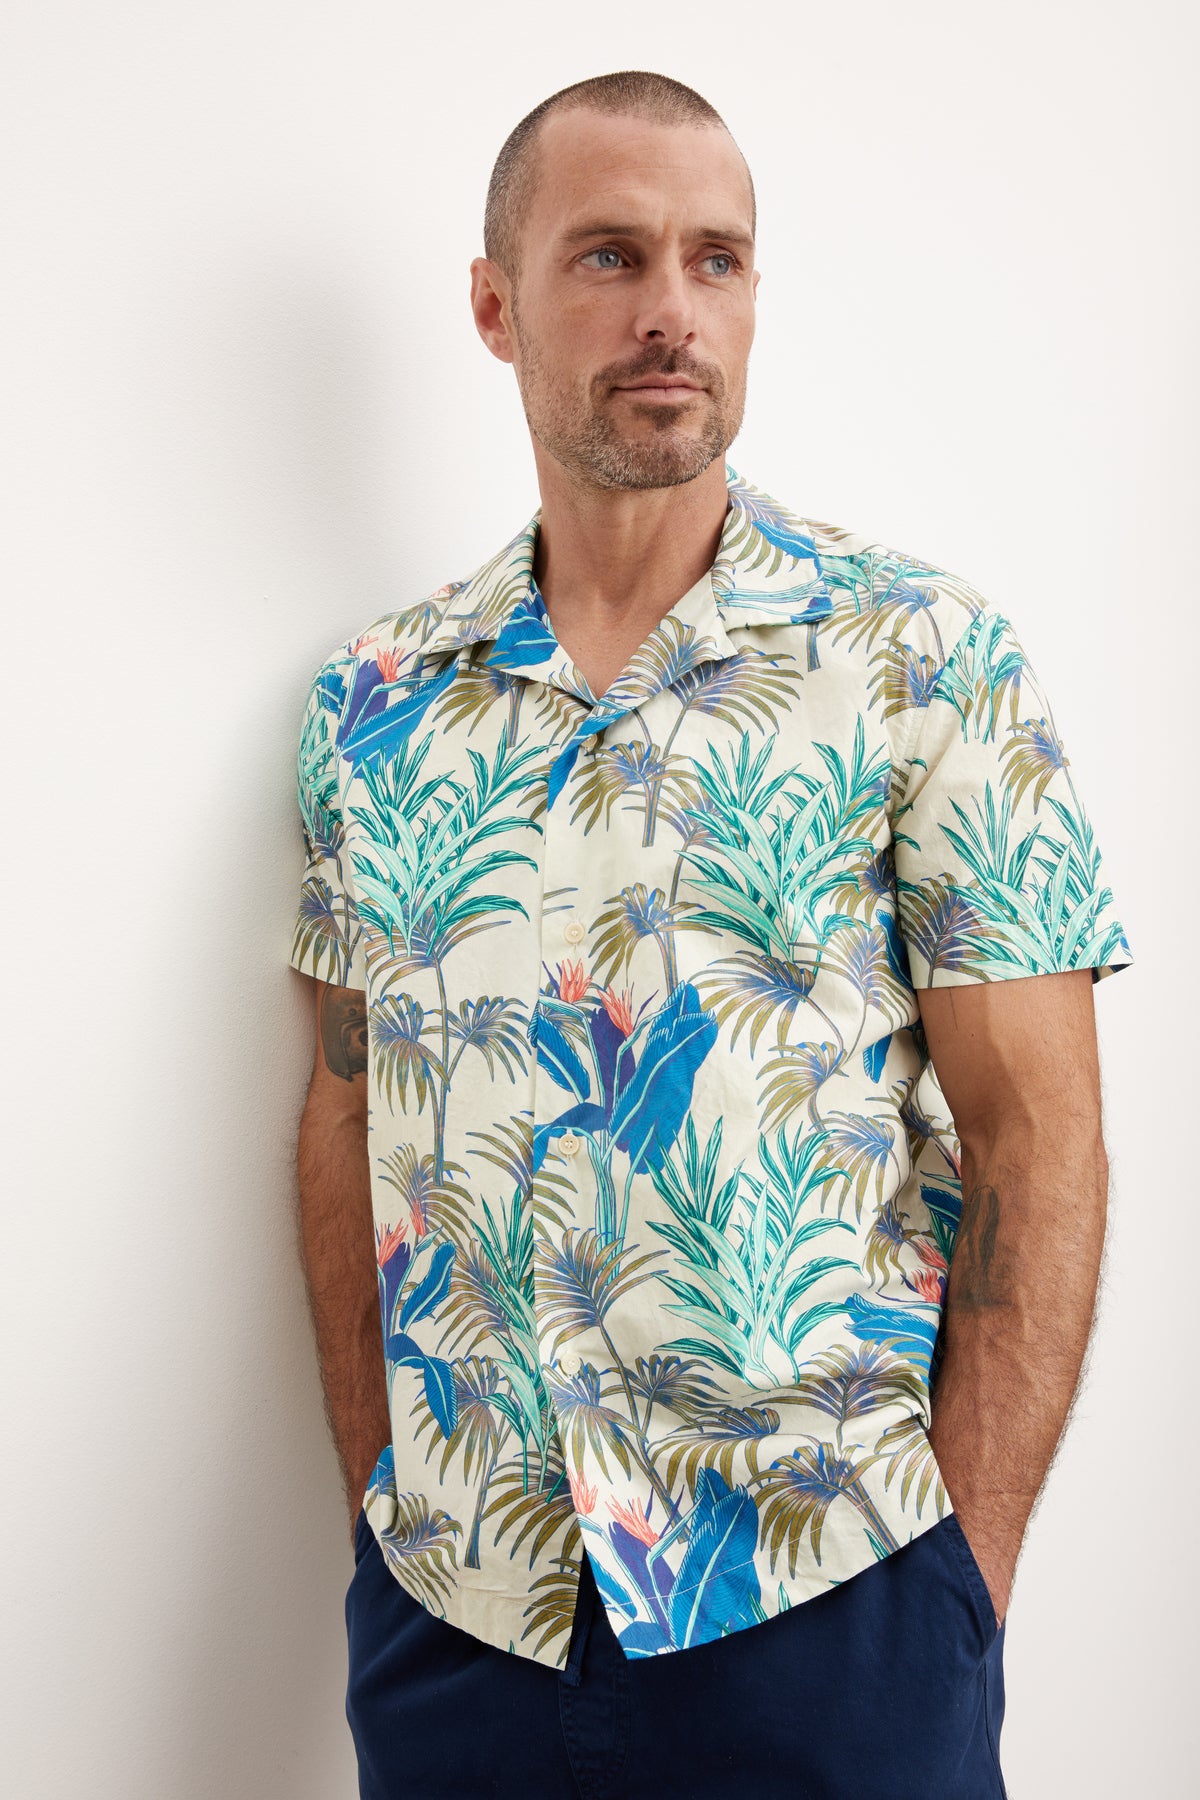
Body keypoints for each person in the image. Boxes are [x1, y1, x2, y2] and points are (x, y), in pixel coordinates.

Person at [288, 68, 1134, 1800]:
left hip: (833, 1605)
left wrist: (958, 1583)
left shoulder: (918, 653)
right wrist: (387, 1505)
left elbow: (1042, 1131)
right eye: (610, 256)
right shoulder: (376, 704)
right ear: (495, 306)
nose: (674, 311)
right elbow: (341, 1100)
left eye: (718, 260)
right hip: (468, 1620)